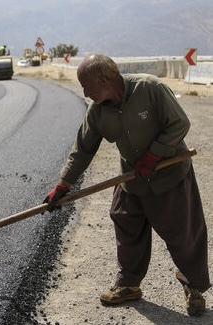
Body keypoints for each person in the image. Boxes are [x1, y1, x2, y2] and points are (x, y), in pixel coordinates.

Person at [43, 53, 210, 316]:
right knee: (126, 224)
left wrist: (154, 154)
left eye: (86, 86)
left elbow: (180, 123)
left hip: (169, 176)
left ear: (103, 79)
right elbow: (83, 150)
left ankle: (194, 287)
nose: (85, 93)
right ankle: (129, 284)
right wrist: (64, 184)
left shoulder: (150, 88)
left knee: (183, 233)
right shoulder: (97, 112)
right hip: (132, 179)